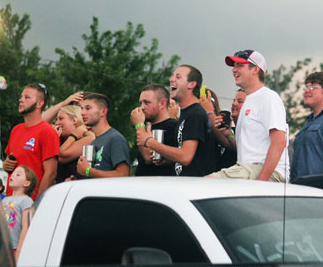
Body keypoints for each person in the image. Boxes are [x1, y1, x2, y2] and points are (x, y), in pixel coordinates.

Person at [207, 50, 289, 182]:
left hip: (266, 172)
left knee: (204, 183)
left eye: (239, 65)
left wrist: (261, 181)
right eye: (233, 66)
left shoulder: (268, 97)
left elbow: (279, 142)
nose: (234, 70)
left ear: (256, 69)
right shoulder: (249, 100)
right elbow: (248, 150)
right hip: (248, 169)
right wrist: (229, 134)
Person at [135, 65, 210, 176]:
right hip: (180, 184)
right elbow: (190, 156)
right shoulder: (186, 114)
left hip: (192, 187)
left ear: (191, 84)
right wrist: (166, 160)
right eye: (172, 76)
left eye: (178, 77)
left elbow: (185, 157)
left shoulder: (195, 114)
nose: (171, 79)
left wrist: (149, 142)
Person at [3, 83, 60, 199]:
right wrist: (6, 165)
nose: (20, 100)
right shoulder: (16, 129)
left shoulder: (47, 131)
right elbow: (10, 162)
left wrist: (37, 205)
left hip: (30, 203)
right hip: (11, 201)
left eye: (27, 97)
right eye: (21, 96)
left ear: (40, 104)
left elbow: (51, 173)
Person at [76, 93, 130, 178]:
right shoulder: (93, 142)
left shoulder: (116, 139)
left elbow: (123, 175)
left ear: (103, 111)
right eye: (82, 109)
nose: (82, 113)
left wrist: (88, 171)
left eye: (88, 108)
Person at [131, 84, 177, 176]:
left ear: (162, 103)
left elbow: (148, 157)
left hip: (161, 186)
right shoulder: (146, 127)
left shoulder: (173, 126)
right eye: (141, 103)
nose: (142, 107)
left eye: (147, 103)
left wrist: (139, 125)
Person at [290, 72, 323, 181]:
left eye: (313, 87)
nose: (306, 90)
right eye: (306, 87)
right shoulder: (308, 122)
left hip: (317, 191)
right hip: (300, 189)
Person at [2, 165, 38, 261]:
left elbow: (26, 227)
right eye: (13, 174)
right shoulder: (5, 200)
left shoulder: (26, 200)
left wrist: (19, 250)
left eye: (18, 174)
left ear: (27, 183)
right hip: (3, 247)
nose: (13, 176)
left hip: (15, 247)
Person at [53, 105, 95, 183]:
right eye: (57, 119)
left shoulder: (88, 138)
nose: (57, 123)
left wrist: (74, 135)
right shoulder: (61, 140)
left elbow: (61, 156)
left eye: (61, 118)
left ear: (74, 120)